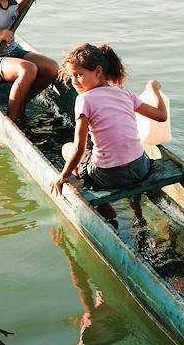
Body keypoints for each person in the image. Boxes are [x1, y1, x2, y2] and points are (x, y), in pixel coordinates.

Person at [49, 43, 168, 224]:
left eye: (79, 75)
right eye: (72, 76)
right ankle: (136, 209)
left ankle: (106, 209)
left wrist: (62, 176)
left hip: (108, 177)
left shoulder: (84, 100)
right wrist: (155, 90)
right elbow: (161, 116)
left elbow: (79, 149)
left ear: (98, 72)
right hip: (140, 169)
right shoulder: (125, 93)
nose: (74, 81)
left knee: (67, 148)